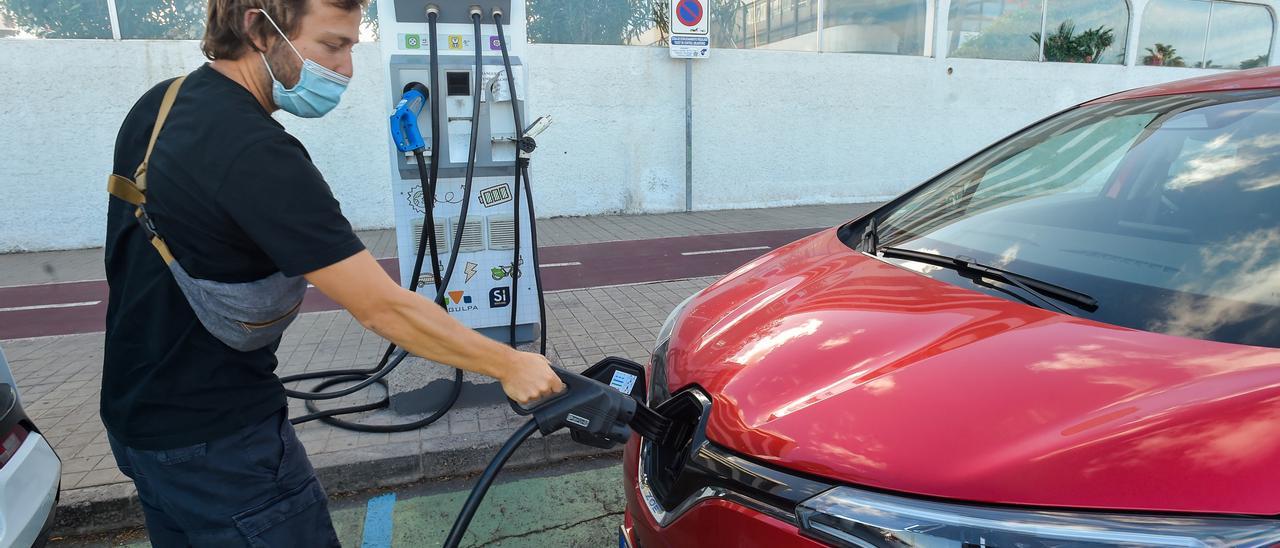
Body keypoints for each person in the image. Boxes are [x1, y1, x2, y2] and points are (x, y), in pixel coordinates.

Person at [102, 1, 563, 545]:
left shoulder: (161, 103)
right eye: (332, 46)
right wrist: (508, 363)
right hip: (223, 443)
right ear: (258, 29)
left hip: (138, 424)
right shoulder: (257, 154)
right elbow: (382, 308)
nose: (345, 69)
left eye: (350, 46)